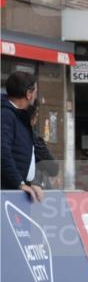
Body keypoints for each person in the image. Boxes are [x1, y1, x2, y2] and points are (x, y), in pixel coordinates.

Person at [1, 71, 44, 201]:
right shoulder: (6, 115)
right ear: (28, 94)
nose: (36, 96)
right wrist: (19, 183)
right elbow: (2, 152)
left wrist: (28, 183)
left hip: (17, 191)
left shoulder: (20, 116)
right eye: (35, 92)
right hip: (7, 194)